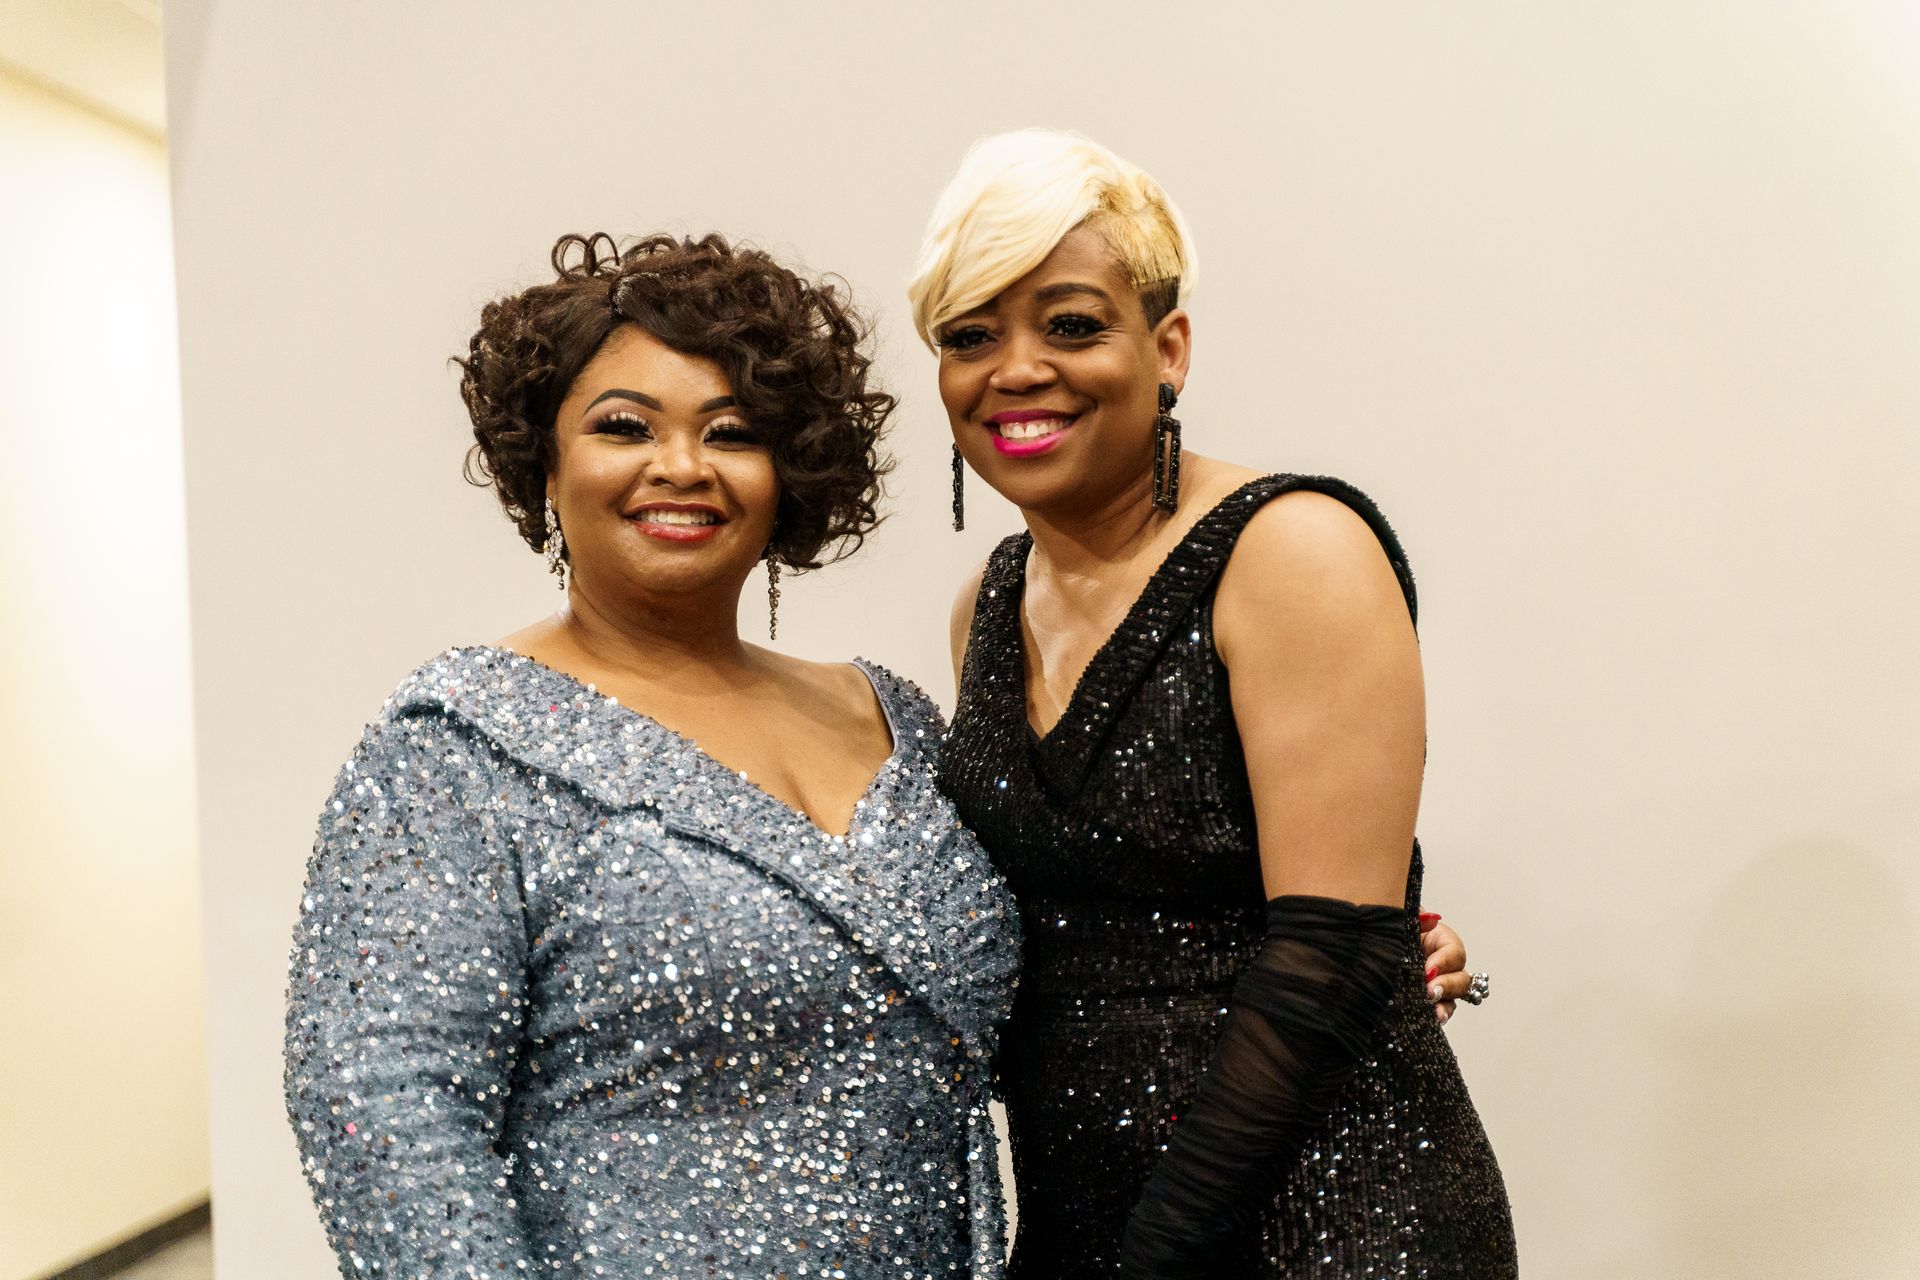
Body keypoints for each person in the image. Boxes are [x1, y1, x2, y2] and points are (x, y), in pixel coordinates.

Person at [284, 233, 1024, 1279]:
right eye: (625, 426)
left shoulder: (893, 713)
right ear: (546, 464)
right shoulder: (456, 747)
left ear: (787, 474)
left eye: (732, 432)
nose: (681, 465)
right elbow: (382, 1105)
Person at [913, 131, 1517, 1276]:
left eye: (1073, 323)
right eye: (969, 335)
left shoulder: (1294, 549)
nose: (1019, 367)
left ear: (1169, 346)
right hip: (1090, 1216)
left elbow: (1329, 956)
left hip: (1331, 1217)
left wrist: (1158, 1252)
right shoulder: (983, 612)